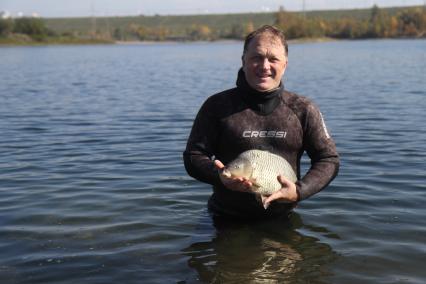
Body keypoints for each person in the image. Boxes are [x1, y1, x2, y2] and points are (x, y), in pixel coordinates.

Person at [183, 25, 339, 220]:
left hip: (283, 219)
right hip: (225, 218)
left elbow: (328, 159)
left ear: (285, 64)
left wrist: (300, 190)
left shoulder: (303, 109)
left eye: (273, 59)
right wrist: (220, 177)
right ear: (243, 61)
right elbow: (193, 156)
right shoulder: (217, 106)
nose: (265, 66)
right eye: (257, 57)